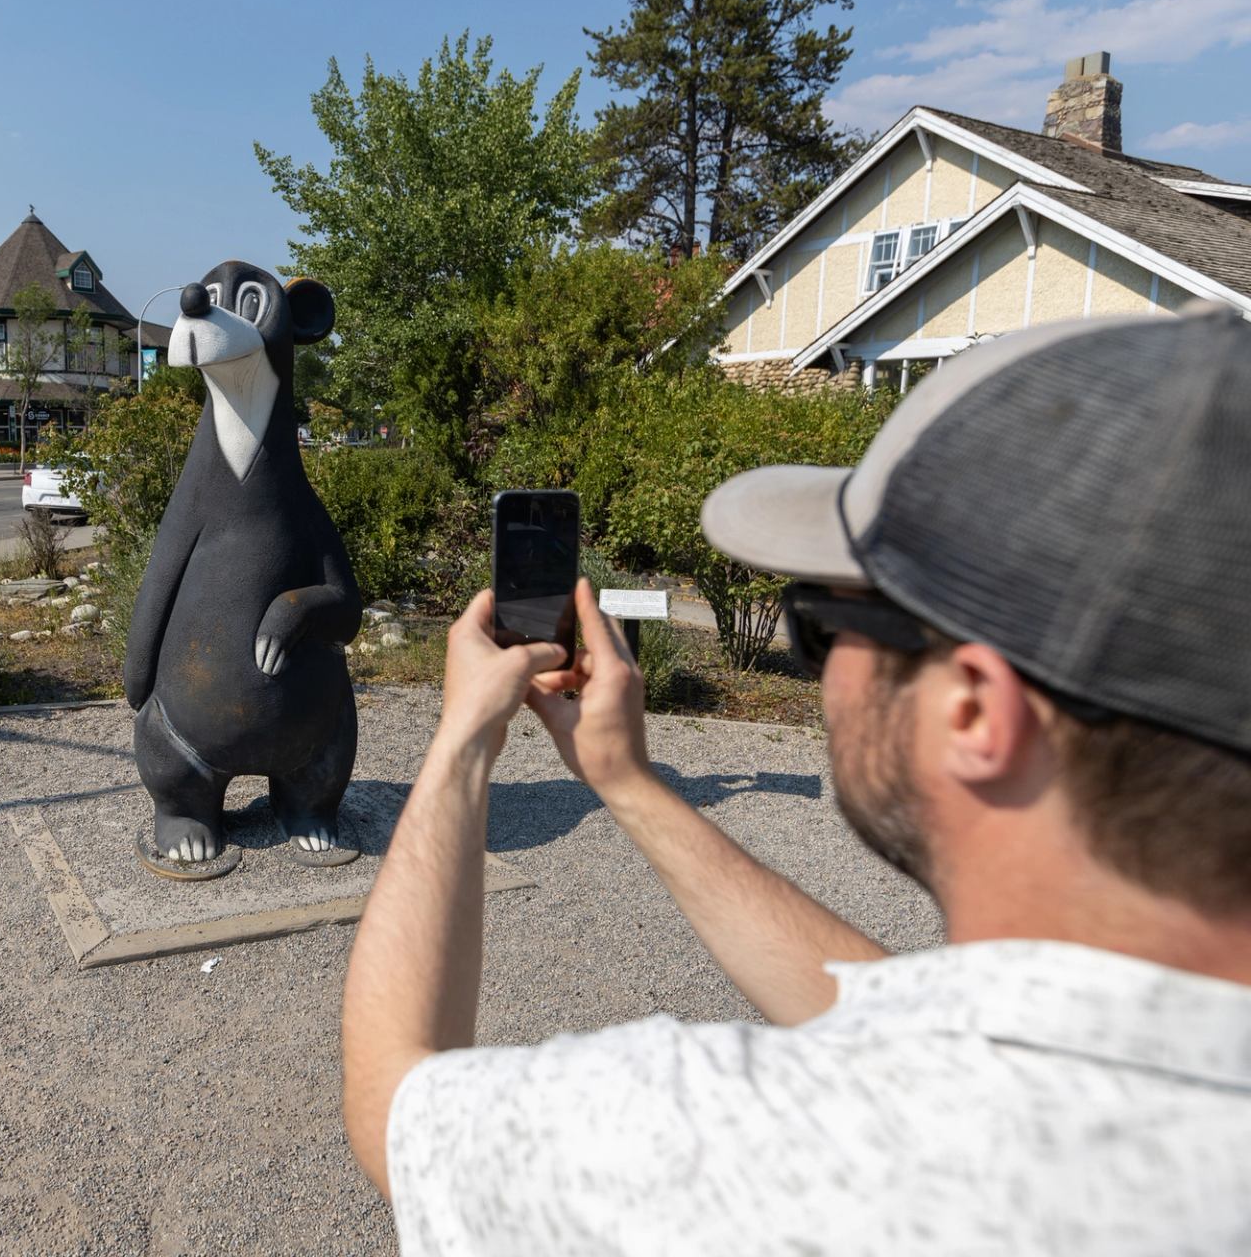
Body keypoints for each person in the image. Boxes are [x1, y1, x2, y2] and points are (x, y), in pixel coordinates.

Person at [341, 306, 1251, 1253]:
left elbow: (395, 1111)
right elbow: (922, 1029)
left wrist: (459, 743)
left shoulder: (777, 1144)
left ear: (974, 710)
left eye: (823, 622)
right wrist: (627, 781)